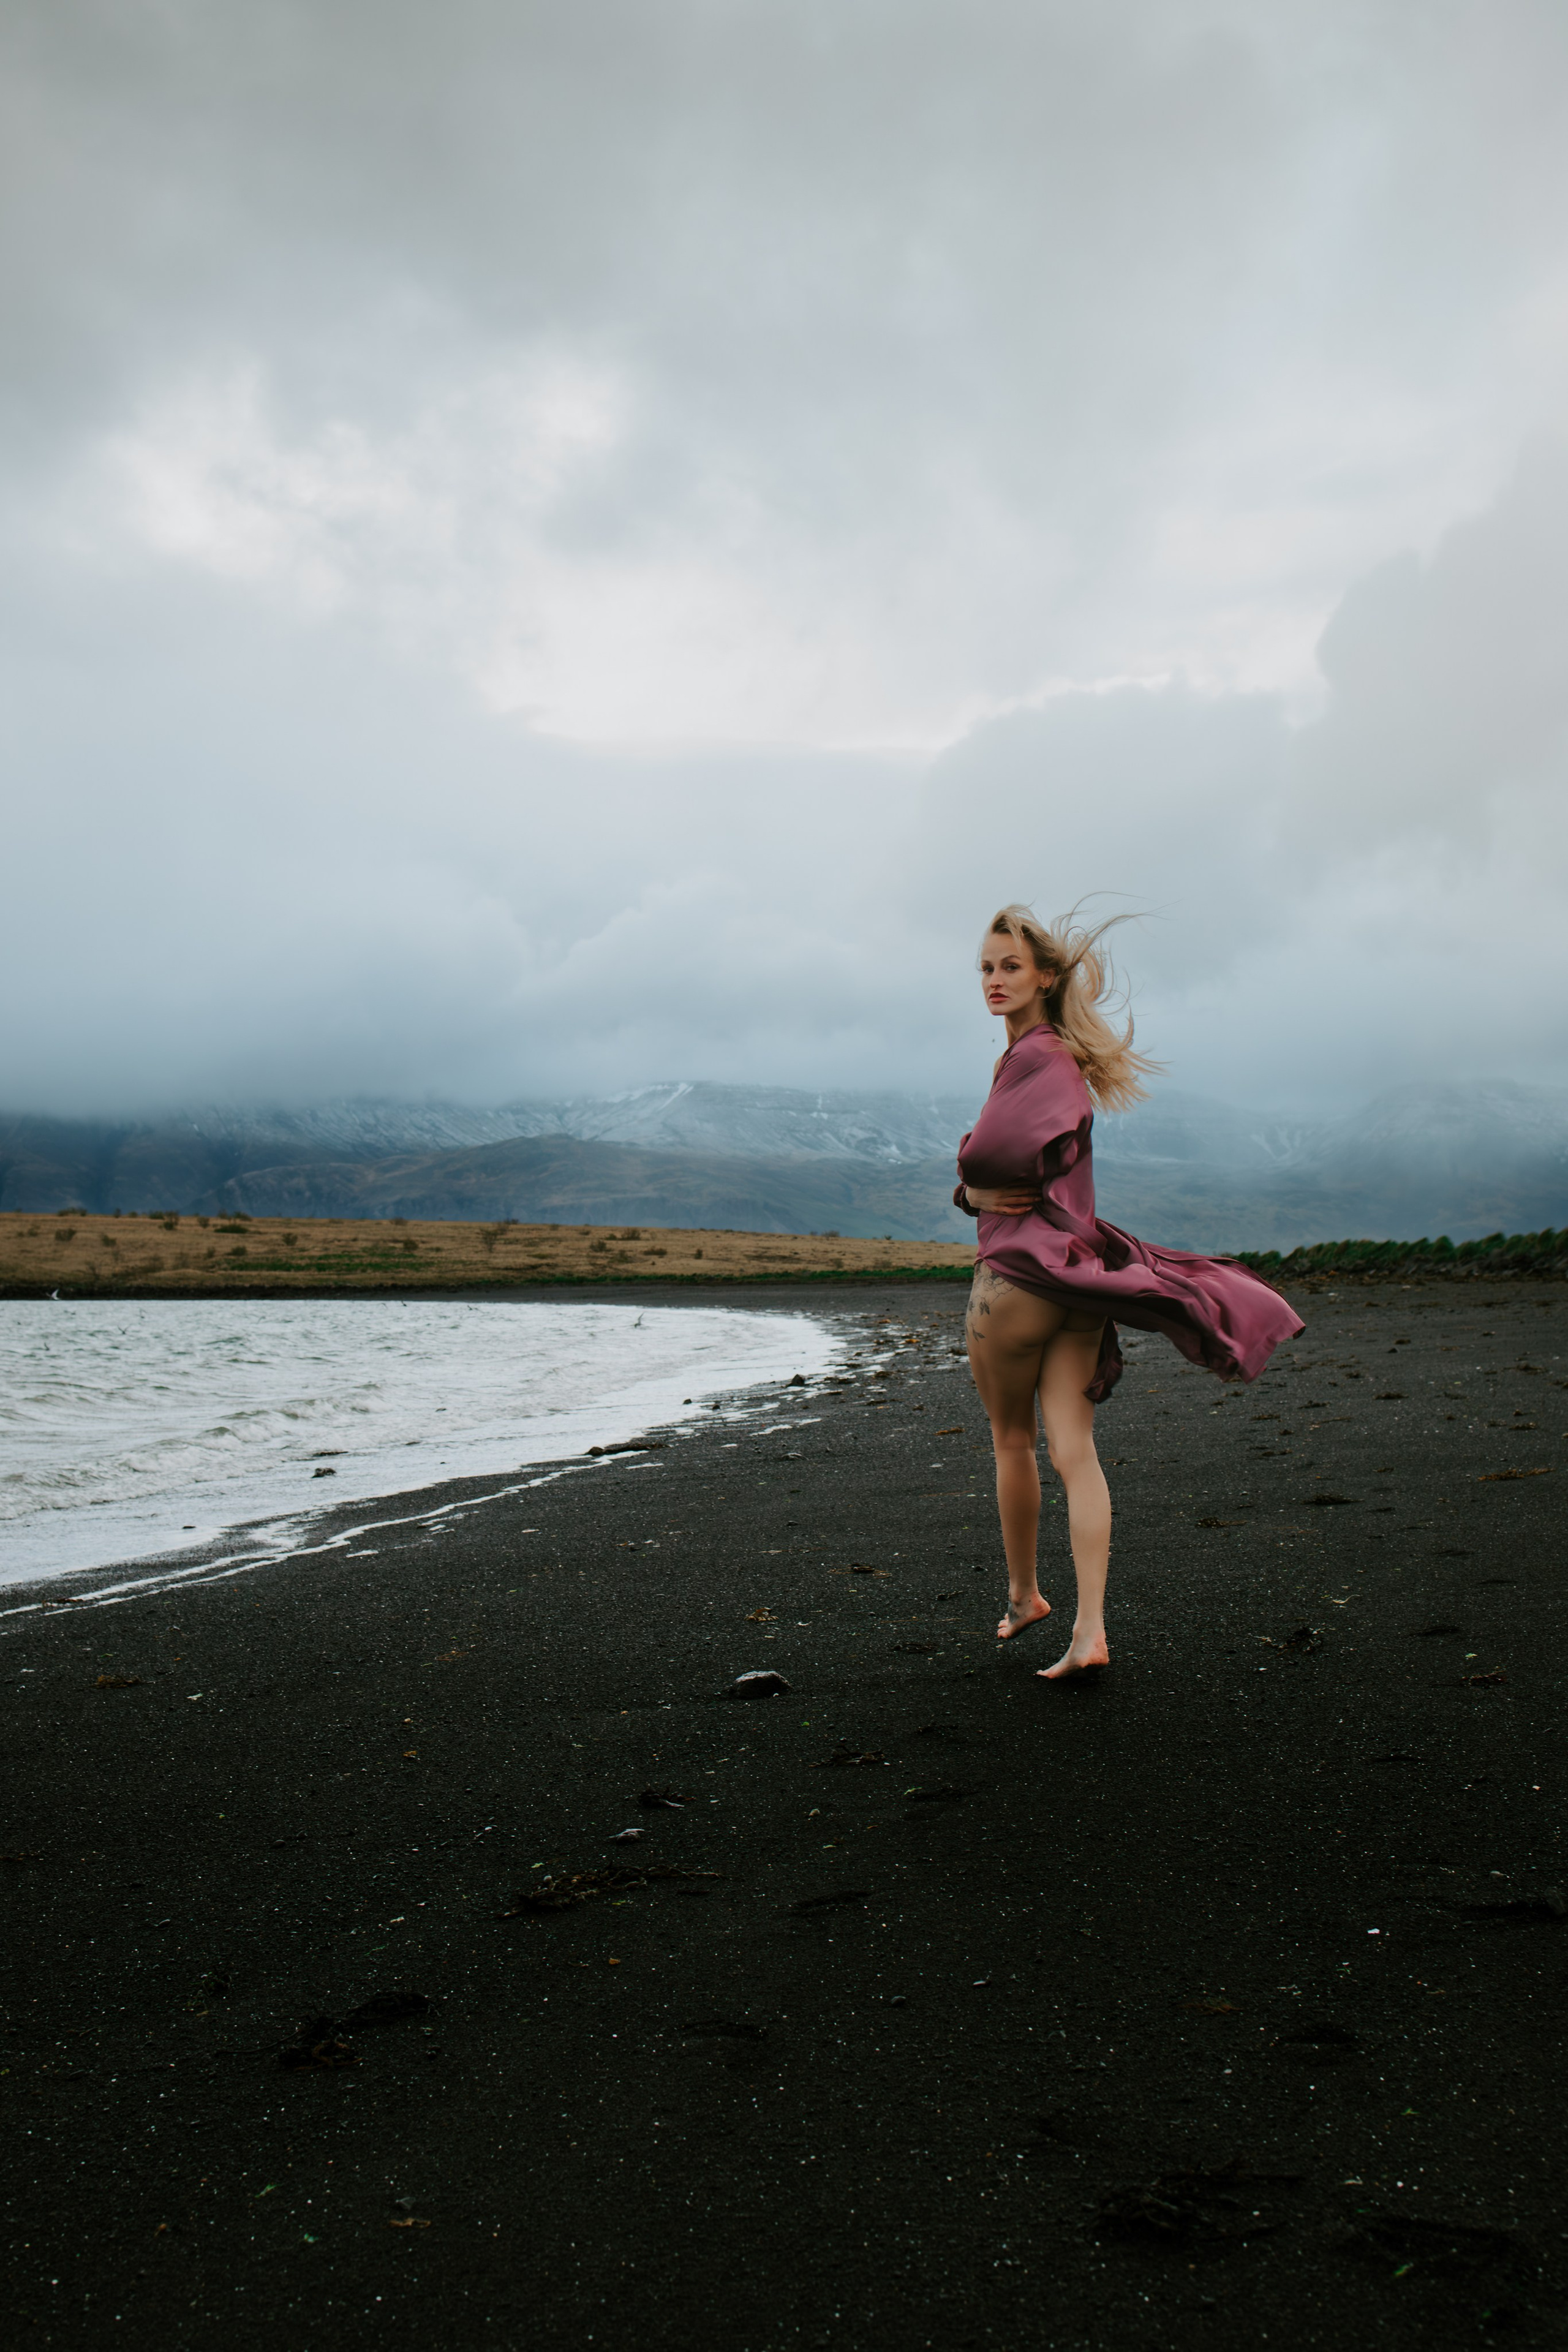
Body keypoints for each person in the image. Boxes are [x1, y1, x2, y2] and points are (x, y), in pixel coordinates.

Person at [956, 903, 1304, 1680]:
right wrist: (976, 1189)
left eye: (1009, 966)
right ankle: (1089, 1631)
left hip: (1016, 1280)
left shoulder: (1037, 1058)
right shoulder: (1055, 1055)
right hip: (1079, 1279)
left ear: (1045, 976)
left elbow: (993, 1154)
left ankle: (1022, 1597)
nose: (993, 980)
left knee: (1013, 1442)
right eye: (984, 967)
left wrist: (968, 1184)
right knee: (1075, 1451)